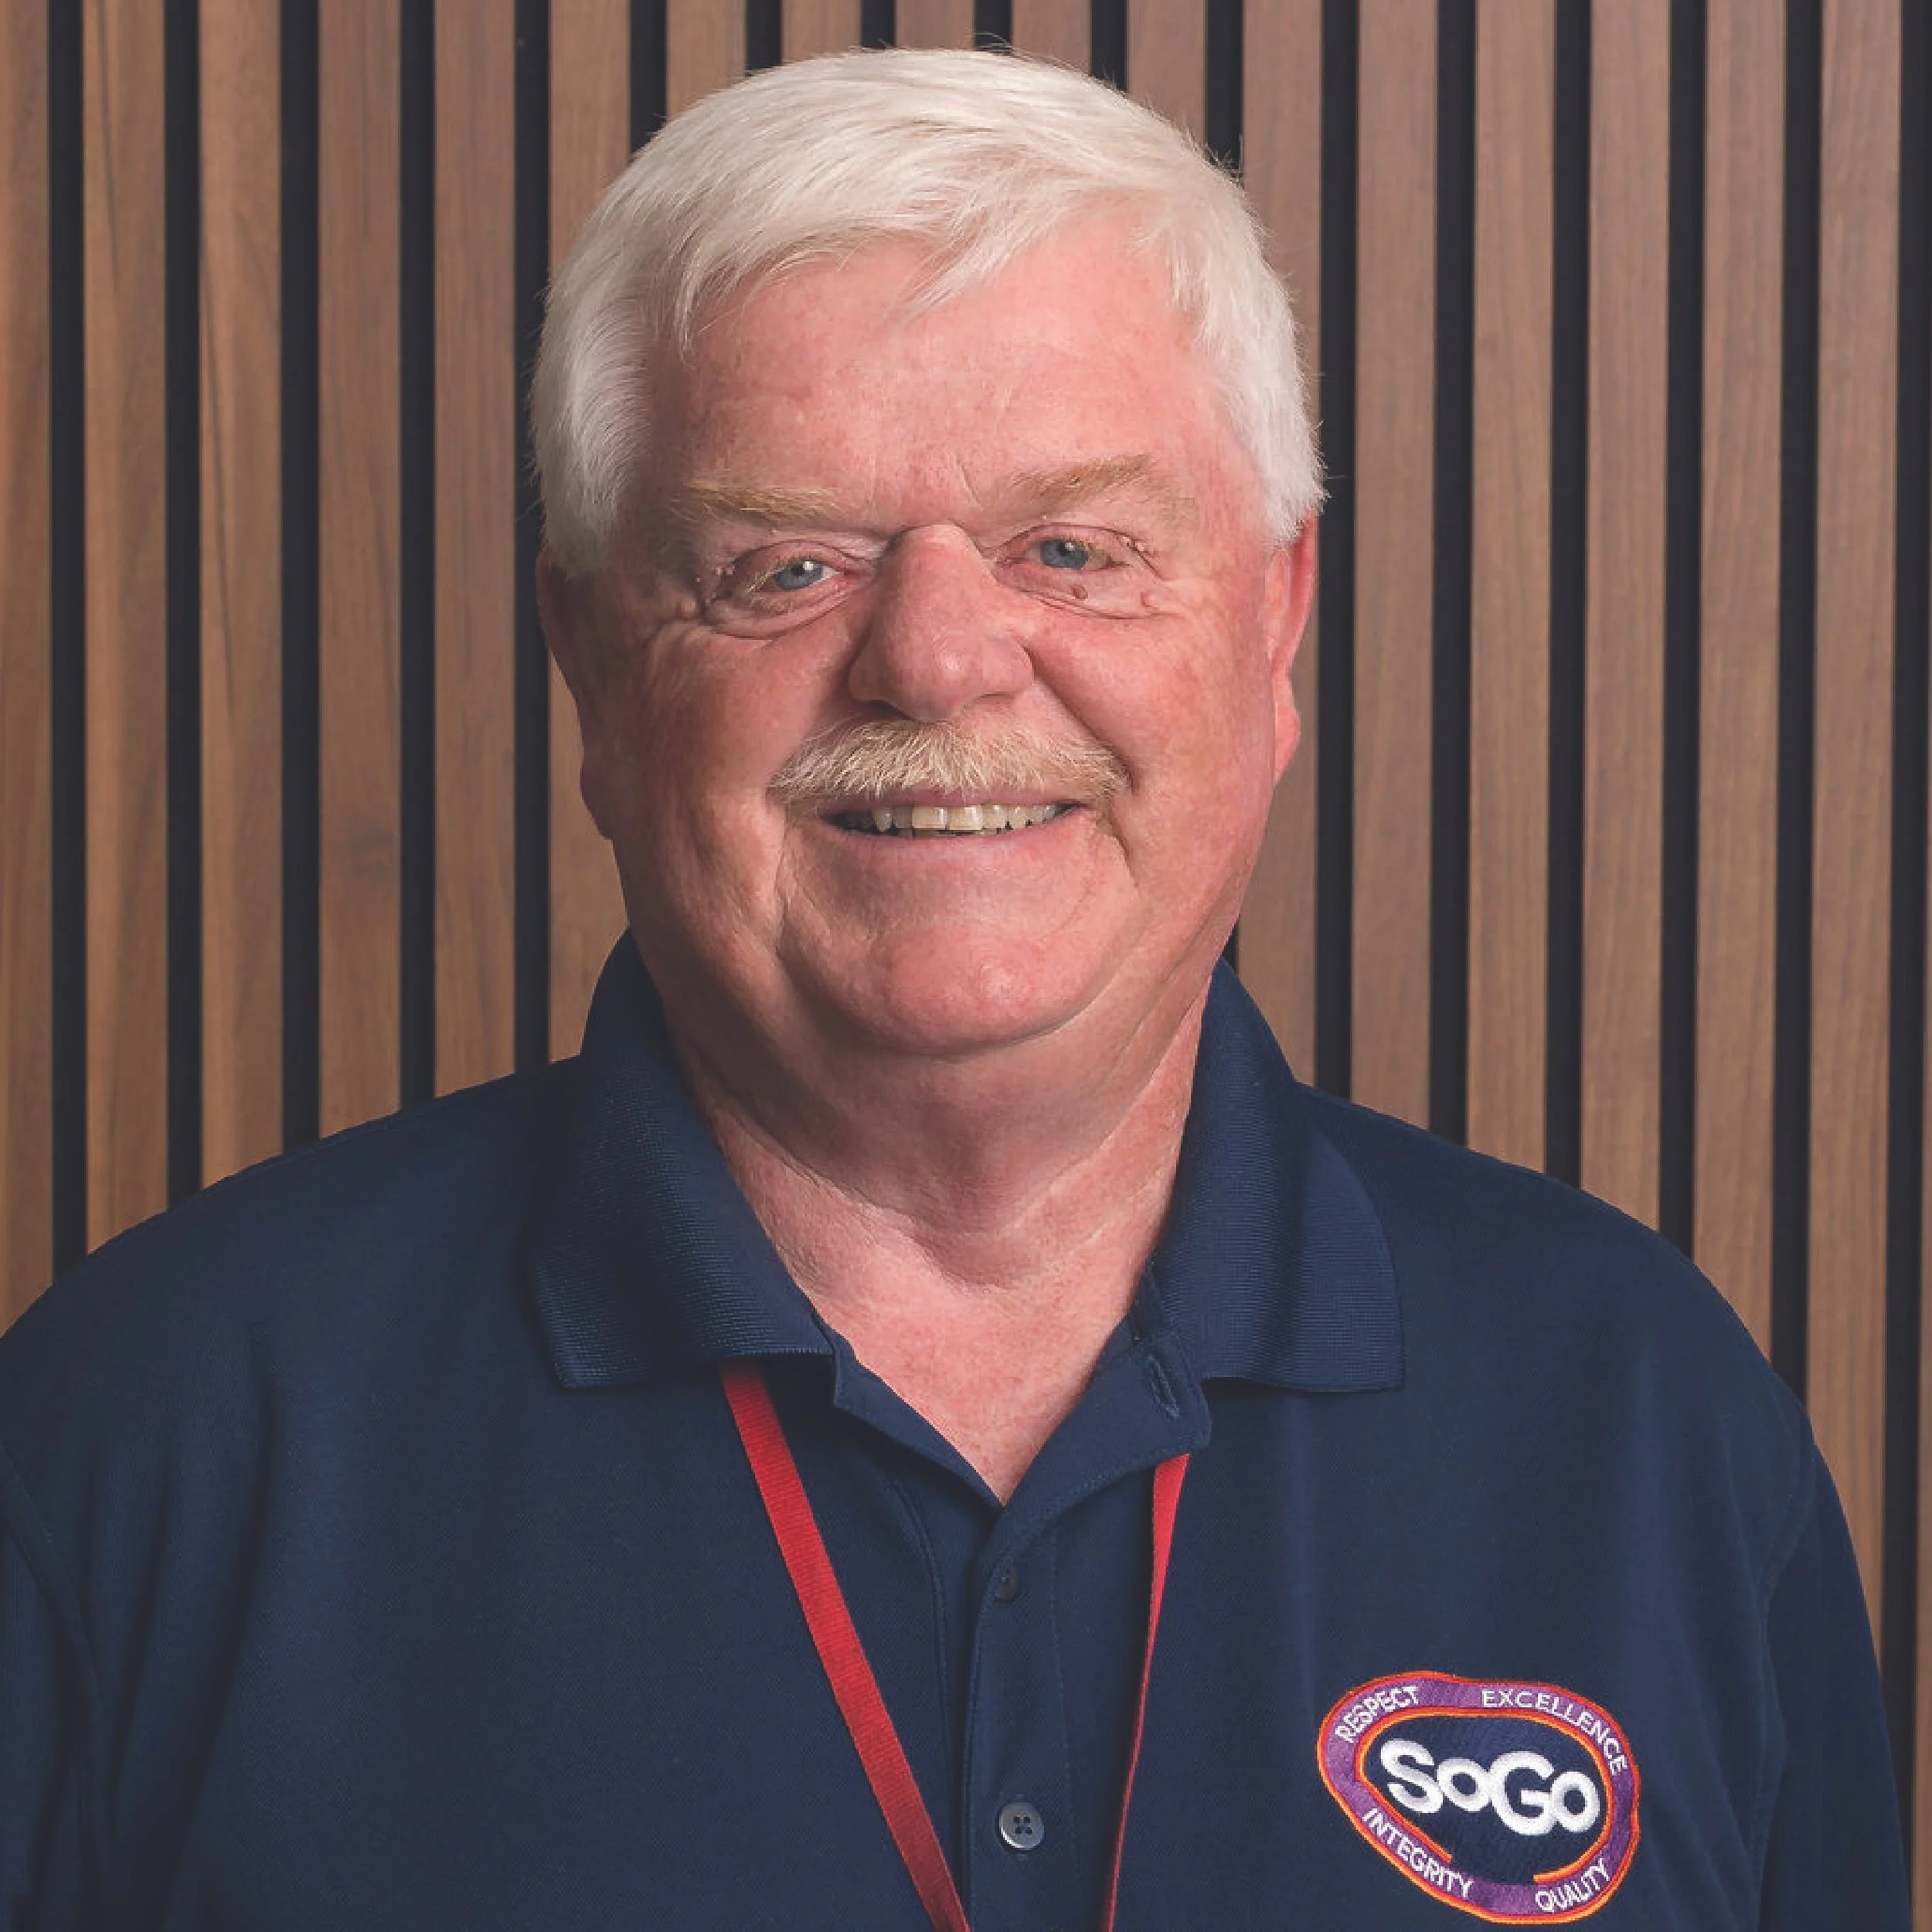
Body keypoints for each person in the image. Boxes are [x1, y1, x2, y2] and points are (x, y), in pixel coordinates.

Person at [0, 48, 1910, 1930]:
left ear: (1273, 626)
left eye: (1069, 548)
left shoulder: (1641, 1417)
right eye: (787, 563)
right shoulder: (143, 1441)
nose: (933, 658)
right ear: (586, 661)